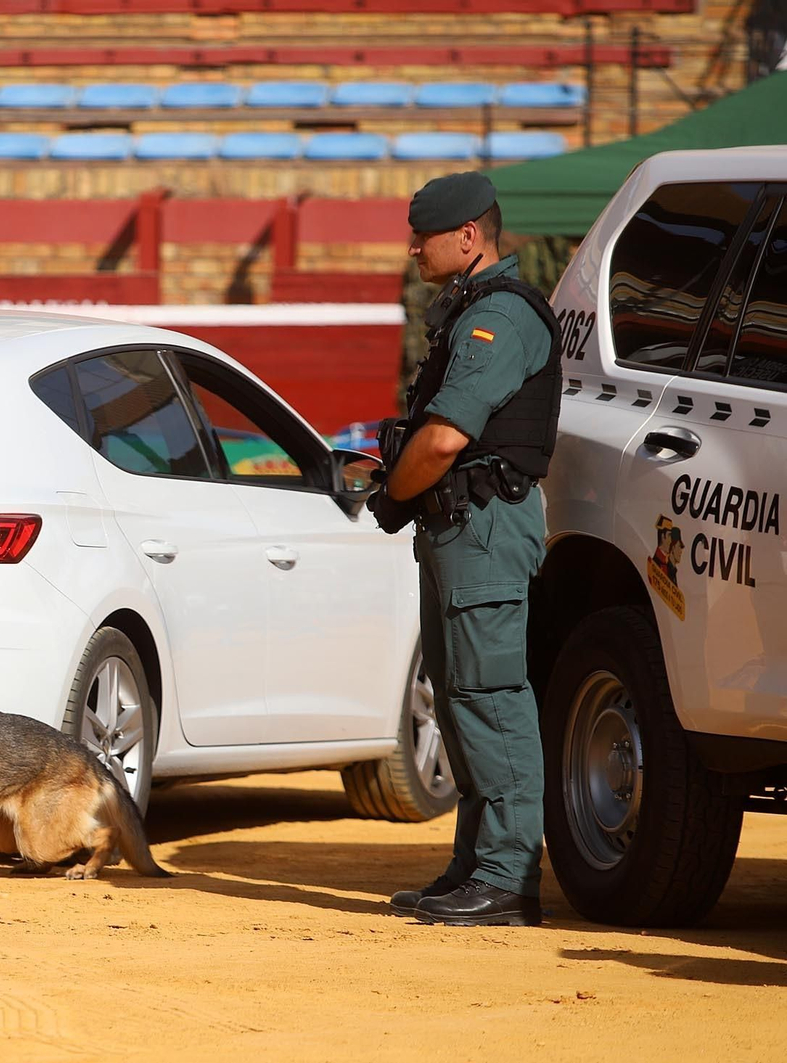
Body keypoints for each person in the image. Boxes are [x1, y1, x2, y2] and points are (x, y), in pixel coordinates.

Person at [368, 171, 561, 927]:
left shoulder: (500, 319)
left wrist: (393, 495)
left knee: (490, 693)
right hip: (457, 528)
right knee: (457, 694)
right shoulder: (471, 311)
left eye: (426, 235)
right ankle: (475, 865)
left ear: (470, 237)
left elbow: (445, 437)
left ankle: (509, 877)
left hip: (482, 526)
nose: (414, 246)